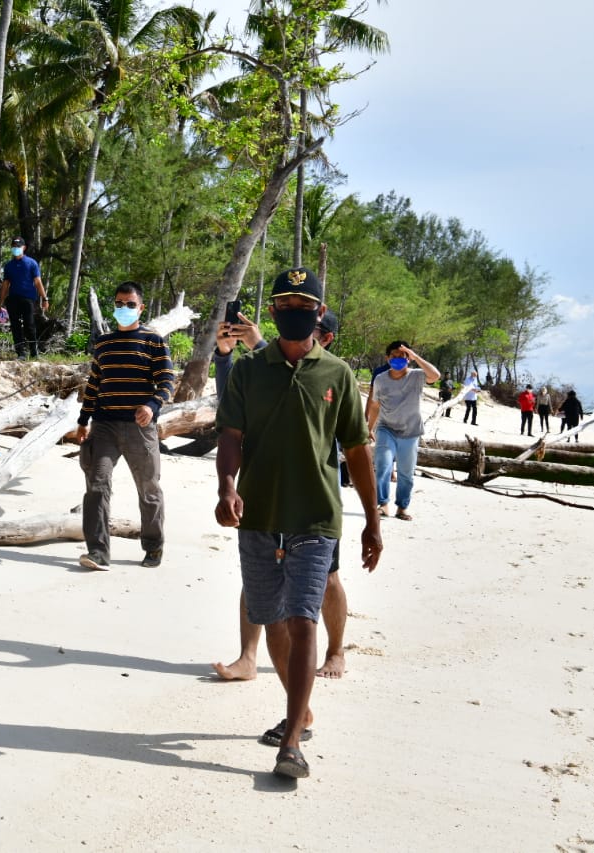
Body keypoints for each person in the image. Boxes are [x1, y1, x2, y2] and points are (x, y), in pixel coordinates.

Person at [214, 267, 383, 780]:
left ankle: (291, 741)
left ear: (318, 312)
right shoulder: (247, 370)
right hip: (259, 514)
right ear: (272, 311)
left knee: (303, 617)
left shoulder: (337, 374)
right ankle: (300, 708)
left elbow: (356, 450)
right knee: (272, 621)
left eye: (303, 303)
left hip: (316, 515)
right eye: (285, 302)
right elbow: (231, 435)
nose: (294, 310)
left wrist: (372, 522)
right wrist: (227, 485)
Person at [212, 309, 355, 682]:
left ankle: (336, 650)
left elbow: (295, 385)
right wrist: (226, 353)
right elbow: (234, 403)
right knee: (259, 580)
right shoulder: (255, 365)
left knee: (328, 578)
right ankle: (248, 655)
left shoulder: (332, 373)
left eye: (315, 328)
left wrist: (256, 341)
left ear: (325, 337)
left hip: (313, 498)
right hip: (264, 493)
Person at [75, 281, 174, 570]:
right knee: (96, 485)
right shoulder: (104, 344)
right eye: (119, 303)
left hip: (138, 428)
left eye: (131, 304)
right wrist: (83, 421)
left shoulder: (153, 341)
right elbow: (94, 384)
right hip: (103, 426)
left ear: (141, 308)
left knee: (148, 488)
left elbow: (167, 380)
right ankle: (98, 552)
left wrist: (152, 405)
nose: (124, 308)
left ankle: (154, 546)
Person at [366, 340, 441, 521]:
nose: (398, 359)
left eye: (403, 356)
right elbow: (375, 405)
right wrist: (369, 427)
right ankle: (382, 504)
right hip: (386, 428)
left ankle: (402, 507)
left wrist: (415, 356)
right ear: (387, 358)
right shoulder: (381, 379)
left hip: (411, 431)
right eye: (394, 356)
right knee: (383, 465)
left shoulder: (417, 376)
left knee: (406, 472)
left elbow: (435, 375)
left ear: (409, 359)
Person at [0, 237, 48, 359]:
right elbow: (5, 285)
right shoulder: (8, 266)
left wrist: (45, 298)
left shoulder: (31, 263)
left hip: (28, 299)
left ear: (24, 248)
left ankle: (34, 353)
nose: (15, 248)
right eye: (13, 246)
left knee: (30, 325)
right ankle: (21, 353)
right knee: (15, 326)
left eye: (18, 246)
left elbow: (38, 282)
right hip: (13, 299)